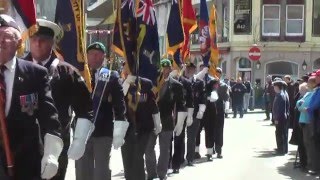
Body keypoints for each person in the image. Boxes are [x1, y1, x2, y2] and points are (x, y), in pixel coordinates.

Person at [25, 19, 94, 180]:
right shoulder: (19, 69)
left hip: (57, 141)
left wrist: (79, 139)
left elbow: (85, 107)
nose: (37, 44)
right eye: (34, 39)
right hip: (25, 143)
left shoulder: (67, 72)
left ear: (52, 43)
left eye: (42, 40)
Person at [0, 14, 63, 179]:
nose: (0, 41)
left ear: (19, 42)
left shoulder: (35, 74)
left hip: (26, 161)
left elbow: (49, 116)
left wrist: (51, 154)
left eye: (6, 36)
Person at [145, 59, 186, 180]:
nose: (165, 70)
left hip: (167, 119)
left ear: (170, 69)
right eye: (162, 68)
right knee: (148, 148)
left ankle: (162, 173)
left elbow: (180, 104)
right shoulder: (152, 83)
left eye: (167, 68)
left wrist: (180, 122)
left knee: (165, 149)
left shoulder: (176, 85)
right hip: (151, 120)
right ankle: (151, 173)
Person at [122, 66, 161, 180]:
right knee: (127, 157)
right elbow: (119, 99)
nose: (126, 70)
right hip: (127, 128)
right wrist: (126, 83)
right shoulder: (122, 84)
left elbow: (153, 105)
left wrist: (157, 122)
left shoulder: (146, 83)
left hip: (144, 127)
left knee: (138, 155)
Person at [170, 63, 194, 174]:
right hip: (167, 113)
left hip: (181, 113)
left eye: (177, 67)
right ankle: (167, 162)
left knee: (179, 139)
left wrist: (190, 115)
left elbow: (190, 100)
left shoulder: (186, 83)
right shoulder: (164, 81)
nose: (175, 70)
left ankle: (176, 164)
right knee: (167, 140)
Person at [184, 62, 206, 165]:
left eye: (192, 69)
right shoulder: (181, 81)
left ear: (194, 70)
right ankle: (178, 158)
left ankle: (190, 158)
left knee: (191, 136)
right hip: (182, 111)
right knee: (178, 137)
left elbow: (202, 98)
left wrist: (201, 110)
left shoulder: (199, 82)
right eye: (188, 68)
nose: (189, 70)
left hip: (195, 112)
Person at [296, 77, 318, 174]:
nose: (308, 85)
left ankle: (314, 166)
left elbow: (308, 106)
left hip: (309, 121)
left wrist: (303, 106)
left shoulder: (314, 93)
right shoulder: (309, 93)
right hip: (304, 121)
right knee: (307, 144)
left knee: (311, 145)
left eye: (309, 83)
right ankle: (310, 165)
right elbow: (299, 103)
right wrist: (301, 106)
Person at [214, 68, 230, 158]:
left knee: (219, 130)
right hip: (211, 109)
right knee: (211, 130)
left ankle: (219, 150)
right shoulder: (210, 84)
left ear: (220, 75)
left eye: (218, 73)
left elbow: (227, 97)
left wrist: (227, 108)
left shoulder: (224, 85)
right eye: (215, 73)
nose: (217, 74)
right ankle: (210, 149)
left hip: (220, 109)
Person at [272, 80, 289, 155]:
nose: (274, 88)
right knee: (280, 133)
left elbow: (280, 109)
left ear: (278, 87)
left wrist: (276, 119)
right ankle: (282, 148)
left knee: (280, 134)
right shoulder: (280, 94)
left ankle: (281, 149)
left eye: (275, 87)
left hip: (280, 118)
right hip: (281, 117)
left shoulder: (281, 95)